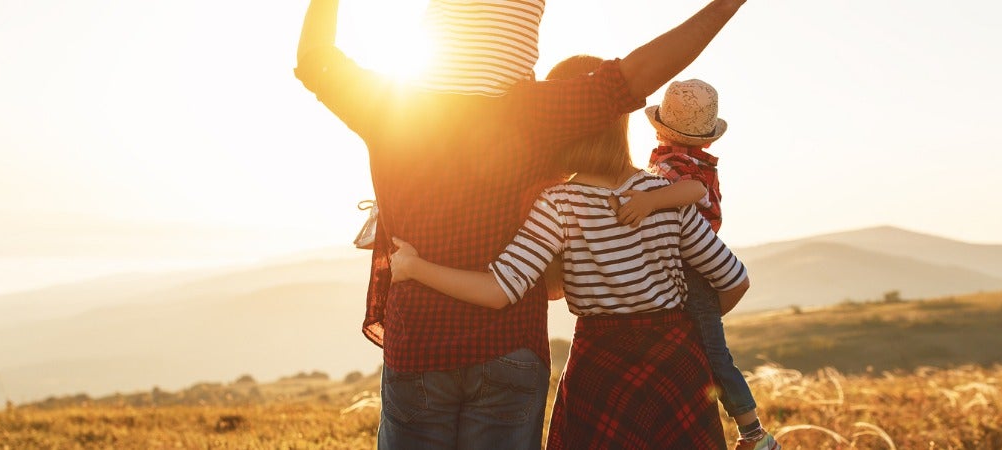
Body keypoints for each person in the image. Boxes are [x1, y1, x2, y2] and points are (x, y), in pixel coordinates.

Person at [293, 0, 753, 447]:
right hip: (510, 345)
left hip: (419, 345)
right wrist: (724, 6)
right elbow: (634, 75)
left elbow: (315, 59)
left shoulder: (388, 106)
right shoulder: (535, 113)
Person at [389, 54, 752, 450]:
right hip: (677, 367)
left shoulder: (559, 203)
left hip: (602, 373)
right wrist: (678, 330)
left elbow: (499, 290)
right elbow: (734, 280)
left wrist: (414, 266)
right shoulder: (664, 195)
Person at [612, 78, 778, 449]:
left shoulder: (676, 164)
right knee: (703, 346)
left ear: (661, 129)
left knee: (714, 353)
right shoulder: (688, 160)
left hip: (692, 268)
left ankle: (754, 433)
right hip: (695, 267)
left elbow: (693, 191)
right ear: (707, 138)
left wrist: (648, 202)